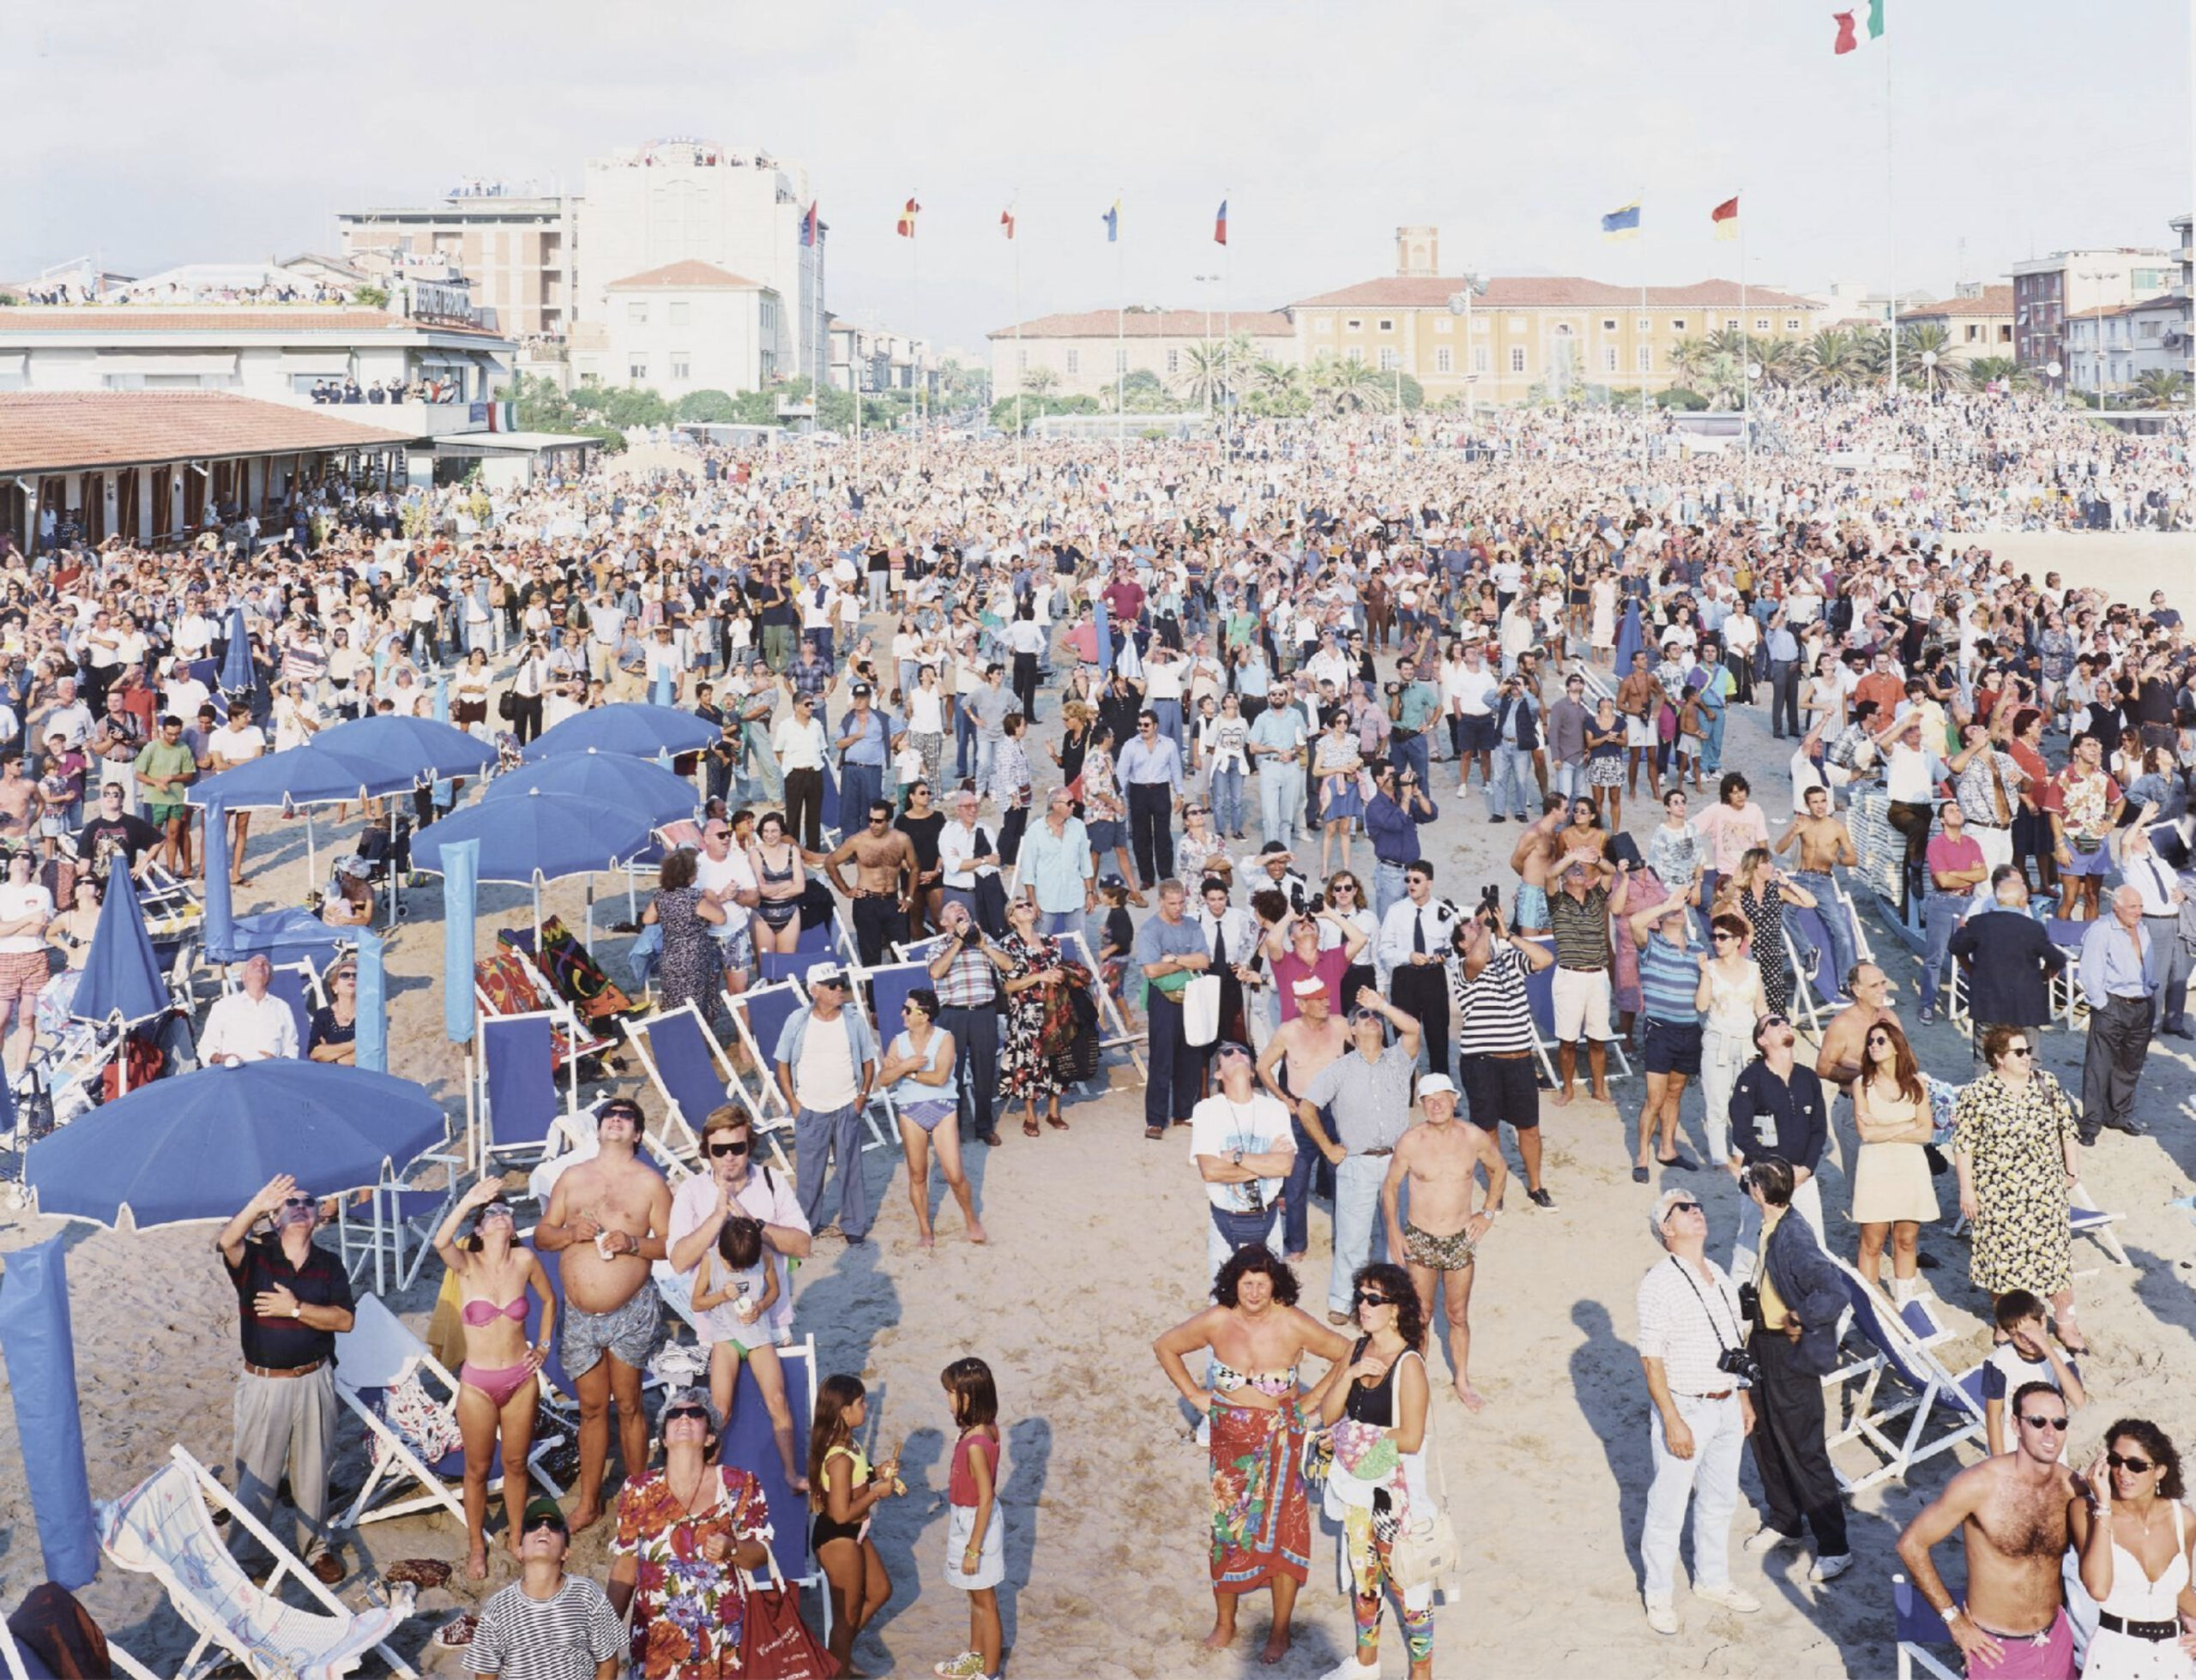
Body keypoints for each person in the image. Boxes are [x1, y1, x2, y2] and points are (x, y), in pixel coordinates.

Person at [1152, 1246, 1350, 1665]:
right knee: (1226, 1531)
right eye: (1247, 1282)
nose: (1255, 1291)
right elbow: (1166, 1345)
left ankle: (1279, 1631)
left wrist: (1313, 1398)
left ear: (1275, 1283)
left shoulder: (1293, 1323)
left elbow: (1346, 1351)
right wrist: (1194, 1395)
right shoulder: (1217, 1320)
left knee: (1284, 1534)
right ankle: (1226, 1622)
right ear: (1233, 1283)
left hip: (1282, 1442)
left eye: (1262, 1282)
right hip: (1230, 1447)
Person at [534, 1099, 672, 1530]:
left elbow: (670, 1245)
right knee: (592, 1407)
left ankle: (638, 1496)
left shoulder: (651, 1183)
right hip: (579, 1314)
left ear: (637, 1134)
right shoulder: (572, 1178)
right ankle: (590, 1501)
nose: (616, 1118)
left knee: (630, 1403)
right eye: (610, 1115)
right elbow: (542, 1235)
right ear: (598, 1130)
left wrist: (632, 1244)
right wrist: (570, 1233)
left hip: (631, 1310)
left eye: (627, 1116)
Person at [214, 1174, 354, 1585]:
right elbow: (227, 1242)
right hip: (264, 1383)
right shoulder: (256, 1257)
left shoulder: (329, 1265)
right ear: (274, 1217)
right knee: (257, 1474)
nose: (299, 1207)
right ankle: (246, 1557)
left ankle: (316, 1549)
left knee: (314, 1471)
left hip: (314, 1378)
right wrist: (256, 1204)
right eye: (289, 1202)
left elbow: (344, 1320)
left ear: (318, 1216)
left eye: (308, 1202)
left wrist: (295, 1310)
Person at [665, 1106, 813, 1484]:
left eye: (738, 1147)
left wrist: (753, 1223)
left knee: (781, 1402)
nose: (729, 1156)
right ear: (706, 1151)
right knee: (721, 1412)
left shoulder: (771, 1181)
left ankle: (790, 1475)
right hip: (717, 1331)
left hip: (771, 1324)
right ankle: (705, 1481)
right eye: (719, 1149)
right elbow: (680, 1260)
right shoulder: (692, 1192)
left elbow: (802, 1246)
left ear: (750, 1144)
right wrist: (716, 1218)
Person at [1635, 1187, 1760, 1637]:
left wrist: (1742, 1396)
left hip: (1725, 1402)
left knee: (1719, 1500)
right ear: (1666, 1230)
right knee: (1668, 1505)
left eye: (1699, 1205)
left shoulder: (1720, 1274)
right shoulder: (1659, 1282)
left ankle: (1712, 1579)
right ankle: (1659, 1594)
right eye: (1684, 1209)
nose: (1696, 1212)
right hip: (1686, 1405)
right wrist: (1671, 1418)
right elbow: (1651, 1358)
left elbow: (1732, 1342)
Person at [1897, 1379, 2082, 1677]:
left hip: (2055, 1638)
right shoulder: (1978, 1485)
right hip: (1994, 1648)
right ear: (2015, 1425)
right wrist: (1953, 1621)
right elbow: (1911, 1544)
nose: (2051, 1433)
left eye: (2059, 1423)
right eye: (2038, 1422)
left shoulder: (2071, 1486)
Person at [1312, 1261, 1435, 1680]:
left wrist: (1352, 1438)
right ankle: (1366, 1665)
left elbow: (1412, 1437)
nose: (1363, 1305)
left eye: (1373, 1299)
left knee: (1406, 1583)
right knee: (1364, 1578)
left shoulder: (1410, 1364)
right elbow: (1330, 1414)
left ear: (1395, 1308)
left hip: (1392, 1492)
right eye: (1360, 1296)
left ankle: (1422, 1673)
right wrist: (1348, 1375)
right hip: (1359, 1484)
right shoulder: (1358, 1348)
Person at [1737, 1158, 1852, 1583]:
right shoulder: (1772, 1225)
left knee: (1804, 1446)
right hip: (1762, 1344)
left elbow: (1833, 1291)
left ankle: (1835, 1545)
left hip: (1787, 1350)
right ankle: (1785, 1518)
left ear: (1759, 1193)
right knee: (1764, 1436)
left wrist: (1800, 1318)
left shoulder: (1794, 1235)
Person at [432, 1181, 555, 1579]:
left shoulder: (525, 1260)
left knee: (517, 1463)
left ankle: (517, 1534)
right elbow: (440, 1241)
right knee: (477, 1468)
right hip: (478, 1384)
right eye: (491, 1215)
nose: (500, 1216)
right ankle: (475, 1547)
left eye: (505, 1212)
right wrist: (469, 1200)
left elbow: (550, 1300)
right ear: (480, 1230)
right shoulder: (467, 1264)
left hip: (521, 1378)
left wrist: (544, 1345)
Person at [606, 1388, 772, 1680]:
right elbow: (626, 1566)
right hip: (658, 1642)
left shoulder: (739, 1484)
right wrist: (604, 1632)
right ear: (666, 1437)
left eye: (695, 1414)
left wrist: (732, 1547)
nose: (684, 1418)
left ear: (710, 1437)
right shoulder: (638, 1489)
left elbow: (761, 1554)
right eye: (675, 1414)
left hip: (724, 1637)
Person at [1955, 1024, 2090, 1353]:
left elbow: (2066, 1129)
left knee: (2054, 1260)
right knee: (2001, 1263)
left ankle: (2066, 1322)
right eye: (2018, 1052)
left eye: (2027, 1050)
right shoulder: (1977, 1093)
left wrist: (2072, 1169)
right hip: (1997, 1192)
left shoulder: (2047, 1084)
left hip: (2044, 1190)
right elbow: (1963, 1146)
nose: (2027, 1057)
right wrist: (1967, 1191)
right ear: (1998, 1058)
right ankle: (2006, 1321)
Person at [1380, 1073, 1506, 1410]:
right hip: (1420, 1238)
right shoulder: (1410, 1141)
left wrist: (1488, 1213)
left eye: (1442, 1097)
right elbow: (1390, 1186)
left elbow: (1500, 1168)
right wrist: (1393, 1229)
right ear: (1421, 1105)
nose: (1436, 1104)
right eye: (1428, 1099)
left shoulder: (1472, 1137)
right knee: (1420, 1314)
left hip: (1460, 1238)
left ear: (1454, 1100)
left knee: (1458, 1314)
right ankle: (1415, 1379)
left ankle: (1462, 1380)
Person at [1297, 989, 1421, 1325]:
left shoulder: (1398, 1059)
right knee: (1352, 1237)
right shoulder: (1338, 1070)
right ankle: (1342, 1301)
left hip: (1397, 1162)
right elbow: (1307, 1107)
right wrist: (1327, 1147)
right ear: (1351, 1031)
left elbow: (1413, 1029)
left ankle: (1391, 1299)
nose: (1371, 1020)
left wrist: (1381, 1004)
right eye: (1363, 1016)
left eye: (1376, 1017)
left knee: (1393, 1234)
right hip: (1357, 1162)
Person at [1447, 901, 1559, 1208]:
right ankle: (1497, 1189)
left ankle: (1536, 1186)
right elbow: (1479, 956)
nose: (1476, 927)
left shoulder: (1508, 958)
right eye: (1469, 927)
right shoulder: (1463, 967)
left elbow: (1545, 959)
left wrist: (1508, 935)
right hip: (1482, 1061)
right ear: (1461, 943)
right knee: (1488, 1129)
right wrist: (1484, 926)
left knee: (1529, 1128)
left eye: (1476, 925)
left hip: (1519, 1058)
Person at [2068, 1419, 2196, 1680]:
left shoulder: (2183, 1518)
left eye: (2136, 1465)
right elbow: (2098, 1588)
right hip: (2116, 1656)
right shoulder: (2085, 1510)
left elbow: (2180, 1591)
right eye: (2117, 1461)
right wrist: (2103, 1504)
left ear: (2159, 1471)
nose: (2123, 1473)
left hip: (2174, 1659)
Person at [773, 961, 879, 1243]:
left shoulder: (854, 1019)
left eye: (840, 983)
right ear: (814, 991)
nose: (839, 989)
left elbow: (869, 1060)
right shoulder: (797, 1021)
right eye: (832, 986)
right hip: (810, 1109)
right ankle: (805, 1225)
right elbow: (781, 1063)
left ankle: (854, 1226)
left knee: (851, 1170)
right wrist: (794, 1103)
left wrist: (863, 1096)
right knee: (809, 1175)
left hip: (847, 1106)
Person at [463, 1497, 624, 1680]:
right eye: (533, 1525)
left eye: (555, 1526)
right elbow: (485, 1673)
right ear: (520, 1550)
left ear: (566, 1552)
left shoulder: (587, 1594)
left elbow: (608, 1662)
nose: (544, 1528)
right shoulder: (499, 1607)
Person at [808, 1374, 903, 1678]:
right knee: (846, 1618)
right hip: (839, 1537)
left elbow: (856, 1481)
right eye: (860, 1403)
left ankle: (836, 1653)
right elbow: (839, 1514)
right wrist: (877, 1493)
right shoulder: (839, 1458)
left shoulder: (848, 1442)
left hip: (854, 1532)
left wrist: (877, 1472)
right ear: (843, 1411)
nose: (866, 1407)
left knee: (880, 1591)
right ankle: (837, 1668)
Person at [877, 985, 984, 1244]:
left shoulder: (945, 1037)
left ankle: (971, 1219)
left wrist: (908, 1073)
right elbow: (882, 1080)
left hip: (943, 1107)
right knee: (917, 1174)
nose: (902, 1013)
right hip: (910, 1111)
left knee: (955, 1174)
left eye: (907, 1009)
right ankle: (925, 1229)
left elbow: (940, 1078)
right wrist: (904, 1065)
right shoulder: (898, 1042)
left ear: (923, 1015)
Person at [1725, 1014, 1827, 1282]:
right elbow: (1742, 1133)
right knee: (1750, 1248)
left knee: (1814, 1245)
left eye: (1784, 1019)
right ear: (1762, 1040)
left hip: (1802, 1178)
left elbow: (1819, 1130)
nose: (1783, 1022)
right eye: (1773, 1022)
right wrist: (1774, 1169)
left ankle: (1821, 1316)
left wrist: (1805, 1168)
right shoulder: (1751, 1079)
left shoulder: (1807, 1078)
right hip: (1762, 1178)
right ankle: (1738, 1314)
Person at [1849, 1016, 1940, 1304]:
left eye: (1880, 1041)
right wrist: (1906, 1124)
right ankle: (1871, 1304)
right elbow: (1866, 1133)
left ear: (1896, 1047)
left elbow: (1926, 1132)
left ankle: (1905, 1301)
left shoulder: (1916, 1085)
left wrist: (1885, 1130)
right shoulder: (1862, 1085)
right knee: (1872, 1241)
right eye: (1870, 1041)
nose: (1873, 1046)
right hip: (1875, 1168)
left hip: (1909, 1168)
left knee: (1906, 1239)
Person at [1190, 1039, 1297, 1268]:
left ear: (1251, 1072)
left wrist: (1237, 1158)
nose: (1237, 1053)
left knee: (1272, 1294)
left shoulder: (1275, 1109)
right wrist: (1266, 1163)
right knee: (1222, 1296)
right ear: (1217, 1074)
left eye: (1243, 1052)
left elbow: (1285, 1167)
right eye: (1228, 1052)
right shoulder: (1207, 1110)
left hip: (1269, 1218)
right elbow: (1210, 1171)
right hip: (1225, 1218)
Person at [933, 1358, 1007, 1680]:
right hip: (968, 1518)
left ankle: (989, 1673)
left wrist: (973, 1548)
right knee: (975, 1595)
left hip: (976, 1523)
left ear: (970, 1397)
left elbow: (986, 1498)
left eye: (952, 1394)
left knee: (985, 1601)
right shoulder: (982, 1428)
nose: (948, 1401)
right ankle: (976, 1657)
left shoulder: (976, 1444)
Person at [1626, 894, 1706, 1182]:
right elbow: (1634, 922)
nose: (1678, 912)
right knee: (1655, 1097)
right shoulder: (1652, 944)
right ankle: (1642, 1157)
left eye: (1680, 909)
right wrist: (1666, 903)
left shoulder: (1697, 949)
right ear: (1660, 920)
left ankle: (1667, 1150)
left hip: (1689, 1030)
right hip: (1660, 1029)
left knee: (1675, 1094)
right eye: (1672, 911)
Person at [1136, 878, 1216, 1140]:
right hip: (1163, 998)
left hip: (1192, 996)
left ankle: (1183, 1112)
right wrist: (1187, 964)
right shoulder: (1150, 929)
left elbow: (1205, 960)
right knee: (1162, 1058)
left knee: (1190, 1054)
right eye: (1172, 903)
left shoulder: (1192, 925)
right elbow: (1151, 969)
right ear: (1160, 902)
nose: (1178, 908)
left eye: (1181, 902)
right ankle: (1155, 1119)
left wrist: (1174, 960)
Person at [2078, 885, 2157, 1144]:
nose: (2138, 912)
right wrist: (2103, 1005)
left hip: (2142, 1004)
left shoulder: (2143, 930)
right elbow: (2090, 973)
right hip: (2113, 1005)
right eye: (2133, 907)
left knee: (2130, 1065)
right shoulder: (2102, 930)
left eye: (2141, 906)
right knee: (2099, 1065)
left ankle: (2119, 1114)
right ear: (2117, 907)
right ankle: (2090, 1122)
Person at [987, 893, 1071, 1136]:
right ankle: (1031, 1115)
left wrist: (1061, 975)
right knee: (1028, 1061)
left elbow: (1062, 969)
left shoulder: (1051, 941)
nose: (1026, 908)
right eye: (1019, 906)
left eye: (1028, 904)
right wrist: (1039, 977)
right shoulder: (1008, 946)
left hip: (1055, 1007)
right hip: (1026, 1011)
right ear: (1012, 918)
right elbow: (1007, 987)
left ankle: (1054, 1112)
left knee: (1056, 1059)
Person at [1951, 868, 2070, 1036]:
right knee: (2027, 1055)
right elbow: (2058, 959)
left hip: (1988, 1003)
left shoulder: (1979, 923)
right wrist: (2044, 973)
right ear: (2021, 901)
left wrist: (1971, 969)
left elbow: (1956, 947)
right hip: (2025, 1006)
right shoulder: (2033, 928)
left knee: (1986, 1058)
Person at [927, 900, 1003, 1147]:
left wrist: (982, 944)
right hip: (953, 1014)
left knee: (985, 1073)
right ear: (944, 922)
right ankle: (953, 1129)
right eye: (952, 908)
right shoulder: (938, 946)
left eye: (963, 907)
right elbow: (936, 973)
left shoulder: (985, 940)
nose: (960, 909)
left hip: (984, 1012)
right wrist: (959, 942)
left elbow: (1009, 965)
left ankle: (984, 1126)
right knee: (953, 1074)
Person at [1547, 852, 1618, 1105]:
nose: (1578, 870)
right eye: (1573, 869)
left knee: (1598, 1039)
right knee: (1567, 1040)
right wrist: (1572, 856)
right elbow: (1549, 874)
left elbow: (1610, 872)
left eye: (1581, 869)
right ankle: (1568, 1089)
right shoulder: (1557, 901)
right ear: (1565, 877)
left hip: (1597, 975)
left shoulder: (1596, 897)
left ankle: (1599, 1088)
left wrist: (1595, 859)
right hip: (1570, 975)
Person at [1376, 859, 1459, 1077]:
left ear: (1429, 883)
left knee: (1438, 1037)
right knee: (1403, 1038)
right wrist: (1408, 956)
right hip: (1405, 979)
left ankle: (1441, 1091)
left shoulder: (1444, 913)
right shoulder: (1396, 912)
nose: (1410, 884)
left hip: (1433, 978)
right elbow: (1384, 950)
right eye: (1408, 880)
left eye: (1416, 880)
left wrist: (1444, 958)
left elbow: (1455, 950)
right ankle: (1404, 1094)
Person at [1982, 1291, 2088, 1457]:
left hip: (2050, 1448)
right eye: (2016, 1335)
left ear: (2043, 1321)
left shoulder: (2062, 1361)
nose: (2025, 1339)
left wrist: (2047, 1349)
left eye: (2029, 1330)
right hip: (2011, 1449)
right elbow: (1993, 1416)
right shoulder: (2000, 1361)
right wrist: (1998, 1459)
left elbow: (2079, 1401)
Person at [639, 847, 727, 1017]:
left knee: (675, 1007)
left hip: (671, 957)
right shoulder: (694, 898)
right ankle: (700, 1041)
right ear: (688, 874)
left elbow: (647, 920)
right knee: (699, 1006)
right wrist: (713, 898)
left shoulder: (661, 896)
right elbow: (720, 918)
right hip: (695, 959)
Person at [199, 951, 299, 1064]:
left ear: (270, 978)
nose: (260, 965)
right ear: (243, 977)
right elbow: (206, 1047)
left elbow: (291, 1047)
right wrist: (221, 1058)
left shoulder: (281, 1007)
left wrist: (279, 1063)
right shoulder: (223, 1006)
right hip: (234, 1073)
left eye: (264, 964)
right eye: (254, 964)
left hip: (271, 1073)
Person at [746, 810, 806, 957]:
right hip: (762, 915)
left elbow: (800, 887)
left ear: (781, 832)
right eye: (765, 831)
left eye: (774, 831)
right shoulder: (755, 853)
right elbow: (760, 891)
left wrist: (772, 891)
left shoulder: (793, 851)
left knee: (786, 967)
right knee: (766, 969)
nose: (769, 835)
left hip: (790, 914)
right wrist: (786, 884)